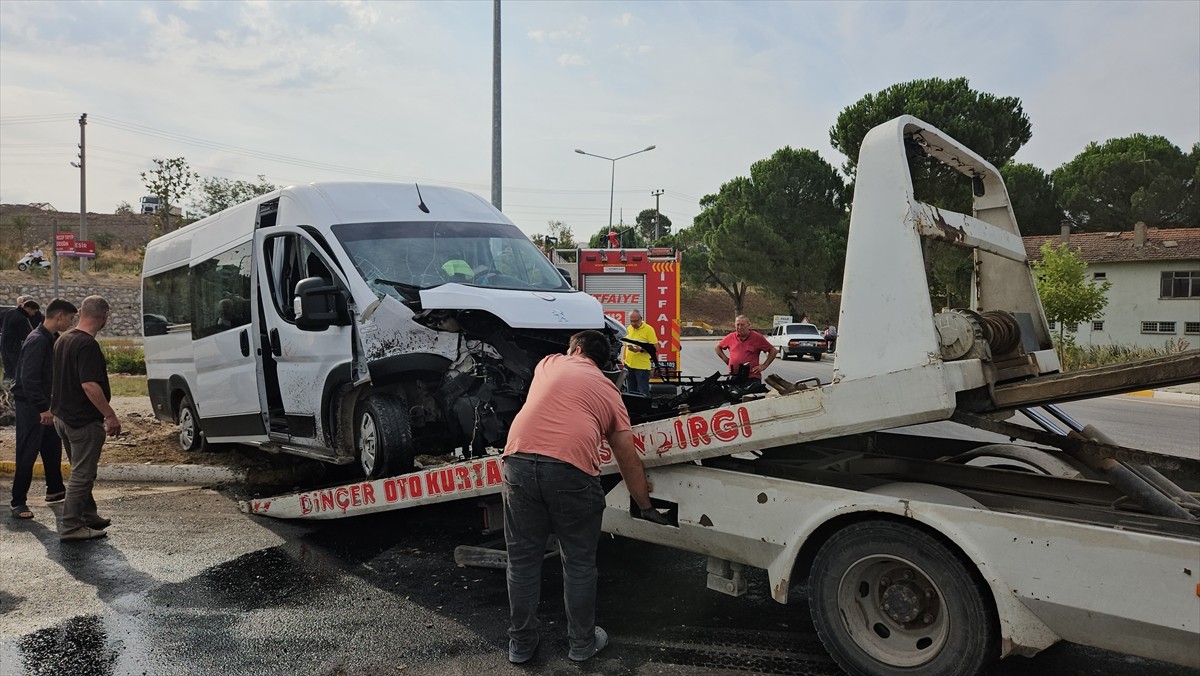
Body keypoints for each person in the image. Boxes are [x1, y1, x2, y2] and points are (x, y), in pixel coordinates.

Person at [502, 330, 667, 664]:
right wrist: (645, 505)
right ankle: (581, 644)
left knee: (522, 562)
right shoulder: (609, 392)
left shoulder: (549, 363)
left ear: (575, 349)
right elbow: (626, 456)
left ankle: (521, 646)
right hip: (569, 472)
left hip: (517, 462)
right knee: (577, 563)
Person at [52, 295, 121, 542]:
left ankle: (88, 516)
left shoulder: (63, 340)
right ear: (104, 315)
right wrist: (110, 415)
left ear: (80, 312)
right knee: (82, 474)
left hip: (63, 418)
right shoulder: (87, 345)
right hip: (82, 421)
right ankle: (71, 527)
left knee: (82, 471)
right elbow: (90, 385)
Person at [10, 298, 77, 519]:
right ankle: (18, 501)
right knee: (28, 452)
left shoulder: (51, 339)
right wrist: (42, 408)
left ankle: (55, 490)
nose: (70, 322)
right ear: (59, 316)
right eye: (69, 318)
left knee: (51, 447)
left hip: (45, 405)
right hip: (30, 405)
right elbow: (28, 379)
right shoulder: (38, 340)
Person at [714, 315, 777, 381]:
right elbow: (717, 347)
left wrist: (764, 366)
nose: (740, 327)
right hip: (734, 376)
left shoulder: (757, 338)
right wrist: (726, 360)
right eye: (737, 325)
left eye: (742, 325)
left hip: (751, 377)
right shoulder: (731, 337)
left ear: (748, 325)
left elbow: (773, 351)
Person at [621, 311, 657, 397]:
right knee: (631, 392)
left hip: (642, 367)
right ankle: (634, 410)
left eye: (636, 321)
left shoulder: (648, 329)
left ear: (641, 319)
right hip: (629, 365)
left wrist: (640, 349)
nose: (633, 323)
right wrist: (623, 359)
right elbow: (626, 345)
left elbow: (655, 348)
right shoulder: (629, 328)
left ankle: (644, 410)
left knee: (643, 392)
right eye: (631, 321)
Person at [2, 298, 38, 382]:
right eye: (33, 312)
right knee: (16, 370)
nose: (33, 314)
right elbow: (26, 336)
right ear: (29, 308)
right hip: (14, 347)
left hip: (5, 345)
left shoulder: (10, 312)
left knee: (8, 370)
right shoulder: (21, 319)